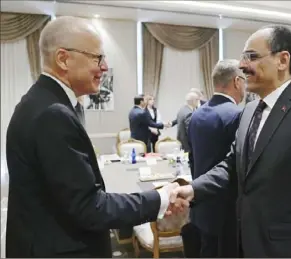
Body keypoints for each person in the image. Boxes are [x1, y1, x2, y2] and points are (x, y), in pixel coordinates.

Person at [5, 16, 180, 258]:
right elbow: (89, 207)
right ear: (63, 59)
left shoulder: (40, 102)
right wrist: (159, 198)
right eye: (97, 57)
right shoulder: (52, 114)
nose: (105, 67)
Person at [169, 25, 291, 257]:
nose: (242, 65)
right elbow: (231, 166)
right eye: (243, 58)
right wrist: (193, 188)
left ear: (282, 60)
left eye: (251, 57)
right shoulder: (249, 110)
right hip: (244, 244)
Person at [187, 59, 245, 258]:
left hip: (200, 203)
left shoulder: (196, 115)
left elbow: (192, 158)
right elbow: (238, 166)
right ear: (237, 81)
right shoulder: (237, 115)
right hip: (227, 211)